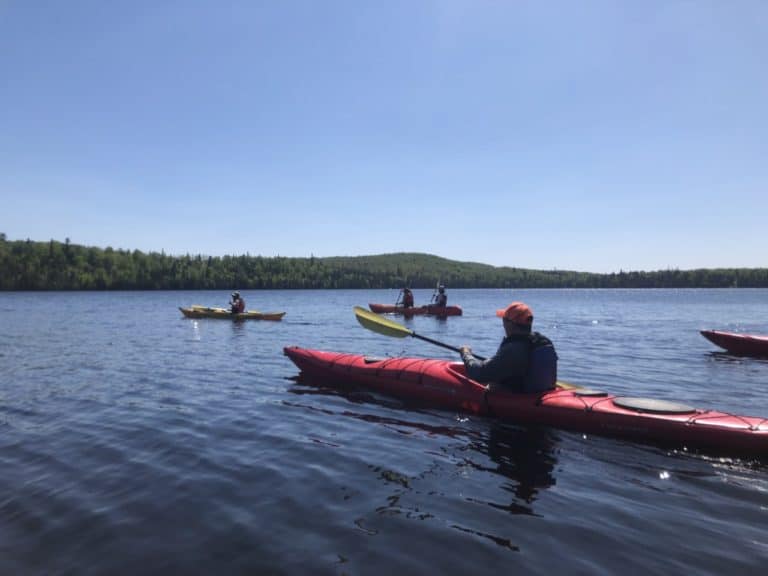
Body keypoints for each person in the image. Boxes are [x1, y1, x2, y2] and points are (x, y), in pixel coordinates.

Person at [459, 301, 557, 392]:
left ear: (510, 324)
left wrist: (466, 353)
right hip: (542, 392)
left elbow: (478, 373)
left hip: (522, 400)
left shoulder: (514, 350)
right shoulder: (543, 342)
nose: (503, 324)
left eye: (504, 320)